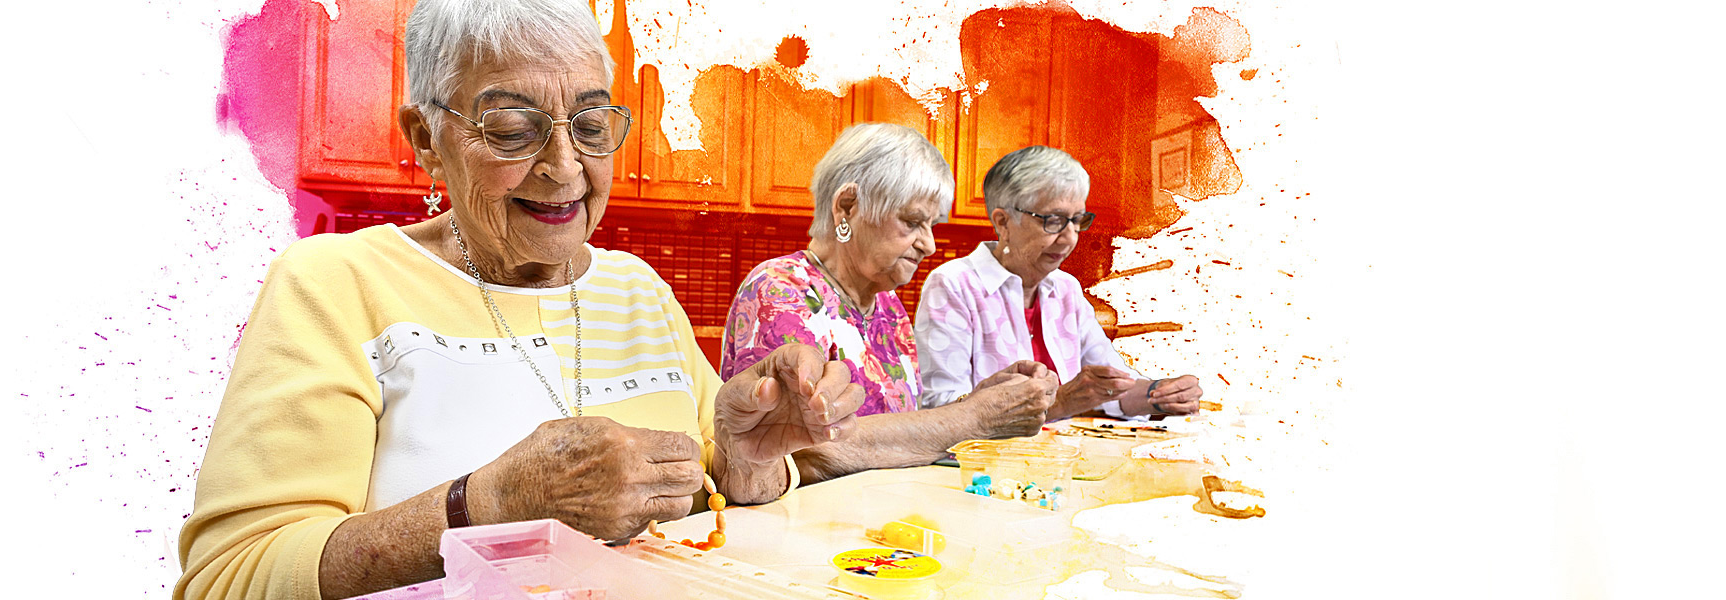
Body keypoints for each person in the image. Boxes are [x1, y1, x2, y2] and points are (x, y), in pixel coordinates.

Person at [176, 1, 864, 598]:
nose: (564, 168)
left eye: (591, 126)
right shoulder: (333, 284)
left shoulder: (639, 290)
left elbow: (724, 486)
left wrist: (751, 462)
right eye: (510, 129)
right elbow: (230, 576)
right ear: (427, 141)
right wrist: (489, 504)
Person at [721, 123, 1063, 485]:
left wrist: (981, 401)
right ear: (847, 208)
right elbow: (801, 453)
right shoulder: (781, 291)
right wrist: (973, 418)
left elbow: (906, 430)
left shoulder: (887, 304)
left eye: (932, 225)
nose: (929, 245)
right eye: (913, 222)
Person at [915, 145, 1205, 420]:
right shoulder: (953, 285)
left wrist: (1159, 394)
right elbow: (942, 409)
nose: (1069, 238)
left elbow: (1113, 384)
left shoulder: (1065, 288)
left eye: (1077, 220)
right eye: (1053, 220)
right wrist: (1062, 402)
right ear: (1003, 222)